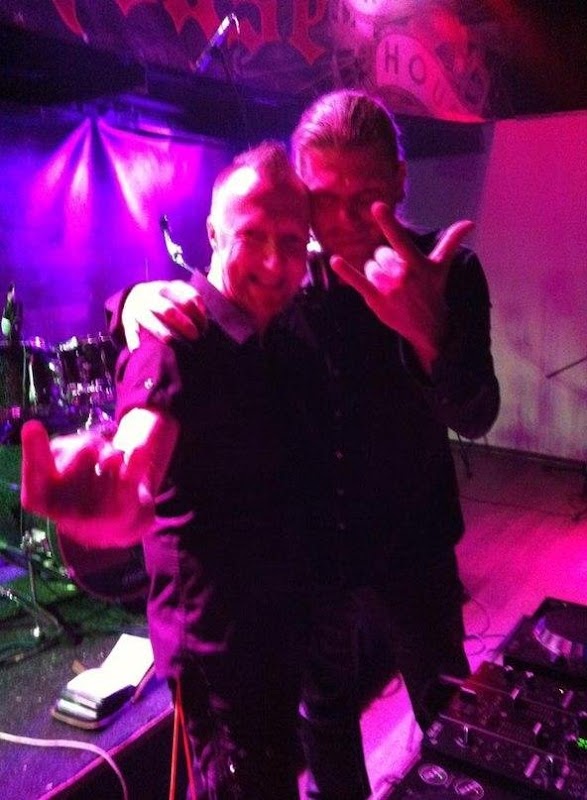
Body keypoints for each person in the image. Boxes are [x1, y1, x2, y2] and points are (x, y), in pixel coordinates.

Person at [110, 89, 500, 800]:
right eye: (325, 199)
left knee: (450, 716)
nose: (345, 220)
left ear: (401, 181)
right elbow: (207, 319)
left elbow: (477, 414)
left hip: (410, 543)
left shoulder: (448, 272)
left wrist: (429, 334)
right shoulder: (287, 280)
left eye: (368, 197)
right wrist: (130, 303)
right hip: (312, 557)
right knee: (326, 722)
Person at [21, 140, 323, 799]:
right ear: (211, 234)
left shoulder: (285, 331)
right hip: (222, 655)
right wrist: (122, 485)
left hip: (280, 627)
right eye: (253, 237)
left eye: (291, 242)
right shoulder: (175, 338)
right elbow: (143, 442)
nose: (275, 263)